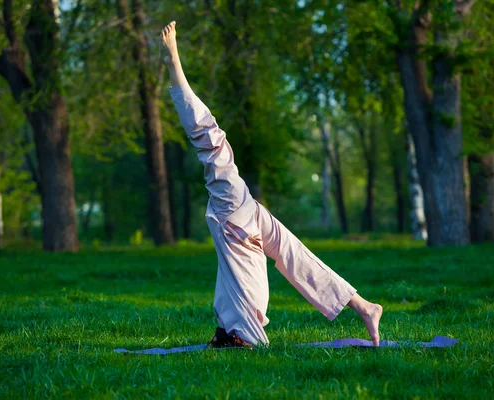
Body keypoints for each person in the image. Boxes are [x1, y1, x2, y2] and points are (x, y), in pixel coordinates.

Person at [161, 21, 382, 348]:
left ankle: (240, 333)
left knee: (207, 139)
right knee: (294, 256)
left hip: (235, 211)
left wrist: (173, 60)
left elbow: (203, 129)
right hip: (242, 213)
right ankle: (363, 306)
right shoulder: (227, 190)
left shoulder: (221, 175)